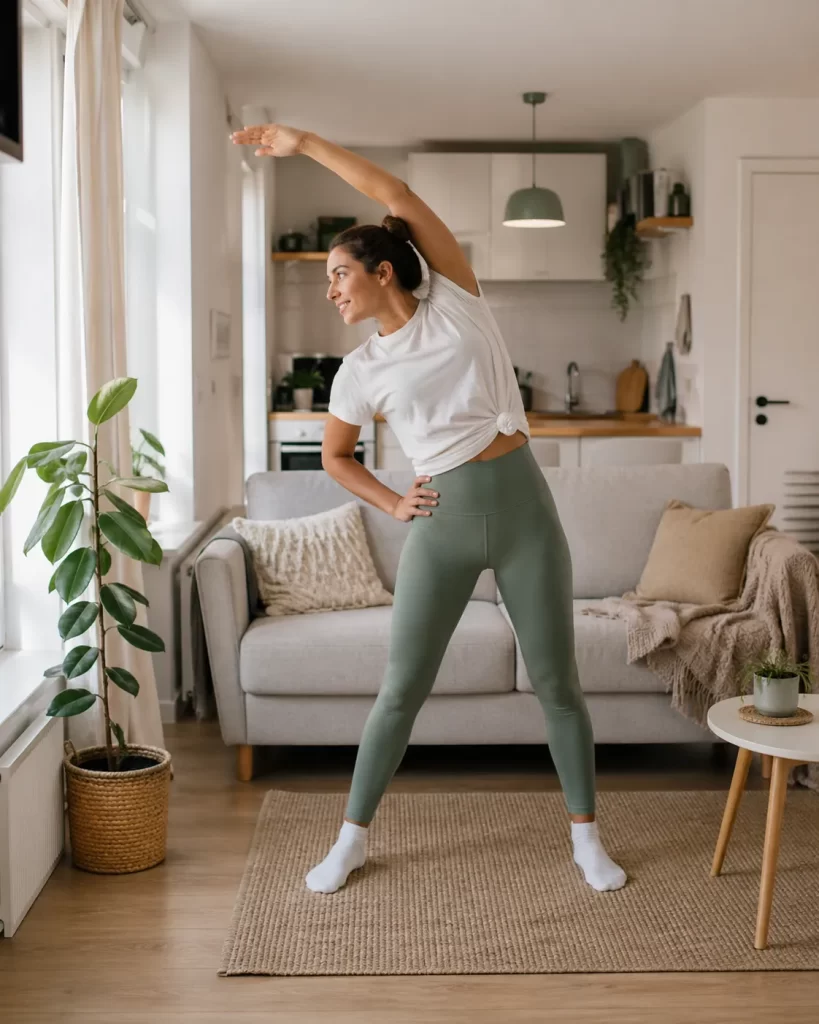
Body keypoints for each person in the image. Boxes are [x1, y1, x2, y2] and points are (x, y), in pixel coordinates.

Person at [232, 124, 627, 896]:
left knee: (557, 684)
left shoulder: (456, 302)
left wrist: (304, 143)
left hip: (524, 519)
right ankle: (349, 841)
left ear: (385, 271)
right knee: (401, 689)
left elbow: (396, 197)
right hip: (441, 525)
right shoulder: (358, 370)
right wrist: (392, 502)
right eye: (325, 280)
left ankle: (586, 839)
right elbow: (335, 457)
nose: (332, 289)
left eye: (340, 273)